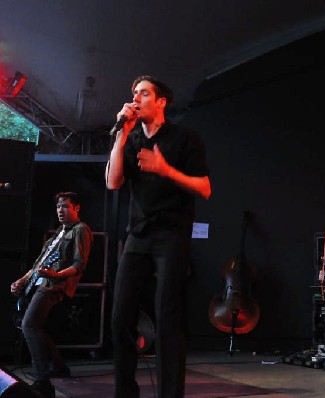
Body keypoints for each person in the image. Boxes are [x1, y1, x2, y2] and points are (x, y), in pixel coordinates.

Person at [105, 75, 211, 397]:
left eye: (144, 93)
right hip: (138, 234)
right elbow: (112, 182)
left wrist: (166, 170)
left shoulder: (184, 138)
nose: (136, 98)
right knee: (120, 316)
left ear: (161, 101)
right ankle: (125, 392)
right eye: (134, 93)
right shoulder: (132, 138)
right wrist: (121, 136)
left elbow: (205, 188)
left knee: (167, 318)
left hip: (171, 234)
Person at [10, 192, 94, 398]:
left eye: (65, 206)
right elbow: (38, 264)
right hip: (39, 283)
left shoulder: (80, 230)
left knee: (29, 325)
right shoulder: (57, 233)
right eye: (58, 207)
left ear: (76, 208)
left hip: (53, 286)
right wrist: (22, 280)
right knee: (33, 326)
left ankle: (42, 380)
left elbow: (79, 264)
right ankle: (58, 366)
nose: (60, 210)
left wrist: (57, 274)